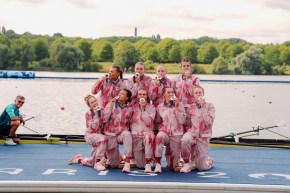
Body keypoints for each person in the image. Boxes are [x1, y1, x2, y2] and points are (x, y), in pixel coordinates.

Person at [68, 95, 110, 171]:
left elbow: (106, 121)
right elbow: (93, 127)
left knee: (92, 163)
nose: (94, 103)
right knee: (104, 139)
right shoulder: (88, 114)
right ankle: (98, 163)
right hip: (90, 135)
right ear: (89, 105)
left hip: (99, 136)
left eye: (95, 101)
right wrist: (96, 115)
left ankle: (79, 160)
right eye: (92, 102)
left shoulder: (102, 110)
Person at [180, 86, 215, 173]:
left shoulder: (210, 106)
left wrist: (203, 108)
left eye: (200, 92)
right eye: (196, 93)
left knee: (200, 167)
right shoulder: (191, 107)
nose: (198, 94)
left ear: (203, 94)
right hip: (192, 133)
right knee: (185, 140)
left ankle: (209, 160)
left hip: (204, 136)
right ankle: (186, 164)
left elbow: (209, 121)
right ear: (193, 95)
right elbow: (187, 121)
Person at [154, 87, 186, 173]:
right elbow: (157, 121)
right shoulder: (160, 106)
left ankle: (208, 160)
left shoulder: (180, 105)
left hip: (177, 133)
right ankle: (158, 163)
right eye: (168, 92)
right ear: (164, 94)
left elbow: (182, 121)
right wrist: (159, 130)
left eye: (172, 92)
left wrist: (177, 107)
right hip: (164, 131)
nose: (171, 94)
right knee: (159, 137)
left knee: (172, 166)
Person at [102, 89, 133, 172]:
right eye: (119, 93)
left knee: (127, 134)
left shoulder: (130, 109)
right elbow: (104, 119)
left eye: (122, 94)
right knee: (113, 164)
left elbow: (130, 123)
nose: (119, 94)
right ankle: (81, 159)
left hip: (121, 133)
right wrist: (110, 106)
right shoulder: (111, 105)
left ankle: (127, 163)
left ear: (126, 98)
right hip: (110, 134)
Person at [131, 89, 156, 173]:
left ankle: (149, 163)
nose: (142, 96)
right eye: (140, 94)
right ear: (137, 96)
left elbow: (149, 122)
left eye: (144, 94)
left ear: (147, 96)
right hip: (136, 134)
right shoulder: (132, 107)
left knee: (149, 138)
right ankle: (146, 158)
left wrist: (143, 109)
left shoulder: (152, 107)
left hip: (147, 132)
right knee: (140, 165)